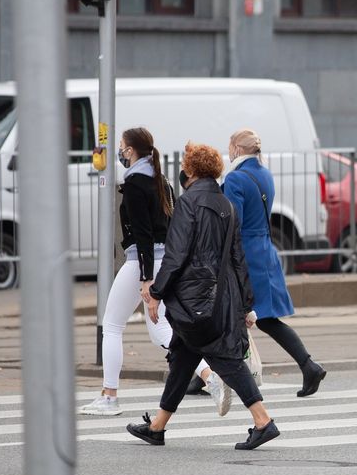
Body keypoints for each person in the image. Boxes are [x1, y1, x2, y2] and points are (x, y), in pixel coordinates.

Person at [127, 143, 280, 450]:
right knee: (183, 360)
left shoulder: (188, 204)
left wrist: (156, 292)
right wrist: (247, 303)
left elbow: (176, 254)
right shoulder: (226, 205)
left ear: (191, 169)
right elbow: (238, 257)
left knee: (228, 361)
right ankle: (157, 427)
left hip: (193, 300)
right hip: (221, 298)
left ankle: (263, 421)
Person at [80, 128, 232, 417]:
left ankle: (109, 397)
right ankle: (210, 377)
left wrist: (146, 281)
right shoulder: (159, 178)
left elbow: (143, 234)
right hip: (163, 262)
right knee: (160, 330)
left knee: (111, 326)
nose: (121, 152)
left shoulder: (136, 182)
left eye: (123, 147)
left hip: (142, 262)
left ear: (131, 150)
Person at [223, 129, 326, 397]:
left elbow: (234, 223)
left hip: (245, 254)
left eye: (230, 146)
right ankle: (308, 366)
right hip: (266, 251)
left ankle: (207, 376)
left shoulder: (235, 178)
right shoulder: (264, 173)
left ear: (236, 148)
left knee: (234, 315)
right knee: (265, 319)